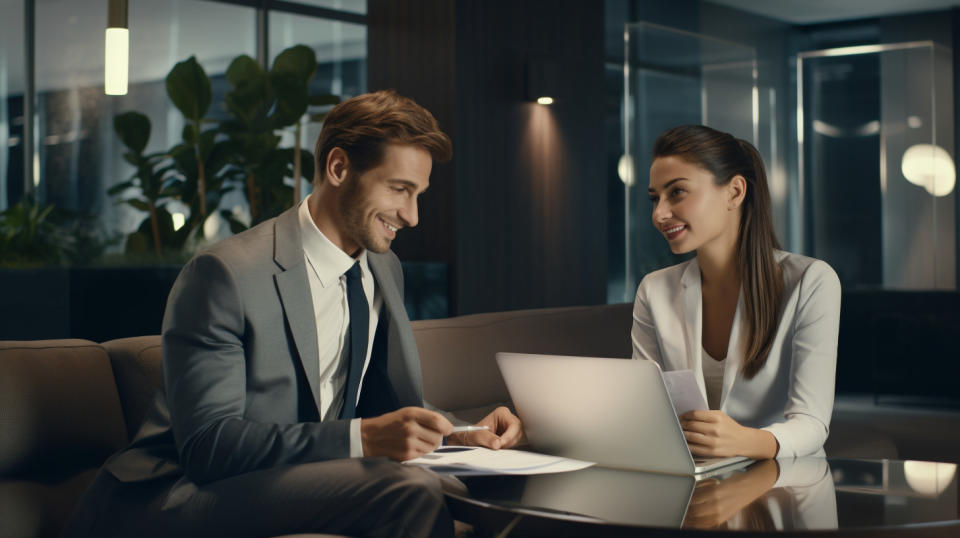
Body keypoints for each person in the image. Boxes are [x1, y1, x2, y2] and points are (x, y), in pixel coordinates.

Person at [65, 90, 522, 538]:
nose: (412, 215)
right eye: (399, 190)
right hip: (177, 492)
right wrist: (363, 438)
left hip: (297, 474)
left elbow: (375, 404)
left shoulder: (383, 268)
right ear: (339, 167)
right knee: (410, 489)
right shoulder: (224, 275)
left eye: (418, 193)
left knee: (490, 479)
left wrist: (462, 433)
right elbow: (208, 447)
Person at [633, 124, 841, 460]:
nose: (659, 214)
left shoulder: (811, 281)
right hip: (691, 482)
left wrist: (746, 442)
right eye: (655, 198)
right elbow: (643, 410)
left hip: (781, 484)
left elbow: (811, 423)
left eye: (677, 192)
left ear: (734, 192)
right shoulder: (654, 290)